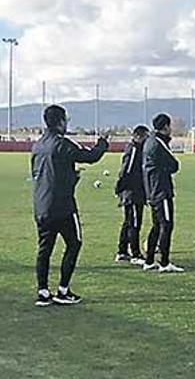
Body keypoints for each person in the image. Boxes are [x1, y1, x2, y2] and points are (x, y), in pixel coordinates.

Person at [31, 105, 109, 306]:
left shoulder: (38, 145)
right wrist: (103, 143)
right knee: (74, 243)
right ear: (61, 122)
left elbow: (41, 174)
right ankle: (63, 291)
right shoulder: (63, 144)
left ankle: (42, 292)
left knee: (44, 248)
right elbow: (91, 157)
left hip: (41, 206)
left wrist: (70, 177)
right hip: (63, 206)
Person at [143, 113, 184, 273]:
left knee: (156, 225)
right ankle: (164, 262)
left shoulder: (149, 141)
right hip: (161, 190)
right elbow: (174, 164)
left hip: (152, 190)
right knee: (166, 225)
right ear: (166, 126)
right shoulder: (158, 143)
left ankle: (149, 260)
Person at [114, 125, 149, 265]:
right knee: (134, 223)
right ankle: (135, 254)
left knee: (128, 222)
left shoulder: (138, 149)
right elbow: (126, 170)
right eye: (145, 137)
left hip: (134, 192)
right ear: (138, 137)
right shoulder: (134, 150)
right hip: (132, 192)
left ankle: (122, 252)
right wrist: (120, 188)